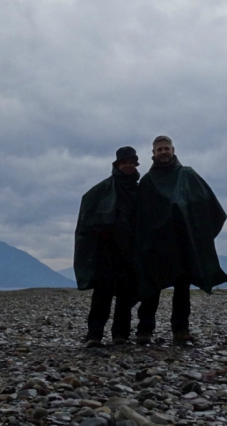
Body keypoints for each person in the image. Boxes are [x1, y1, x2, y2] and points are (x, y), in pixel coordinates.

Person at [134, 135, 227, 345]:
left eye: (166, 148)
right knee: (151, 288)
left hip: (182, 243)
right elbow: (140, 214)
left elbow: (207, 204)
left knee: (182, 290)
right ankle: (144, 330)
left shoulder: (186, 175)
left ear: (173, 150)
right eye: (159, 149)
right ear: (153, 153)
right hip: (156, 245)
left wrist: (198, 234)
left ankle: (180, 330)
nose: (163, 152)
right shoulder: (147, 181)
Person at [73, 146, 141, 347]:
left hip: (130, 249)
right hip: (106, 249)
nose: (128, 166)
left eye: (131, 162)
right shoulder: (103, 189)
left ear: (136, 164)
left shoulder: (140, 191)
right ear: (117, 165)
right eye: (124, 162)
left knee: (125, 293)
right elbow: (86, 210)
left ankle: (120, 335)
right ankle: (94, 335)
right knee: (102, 292)